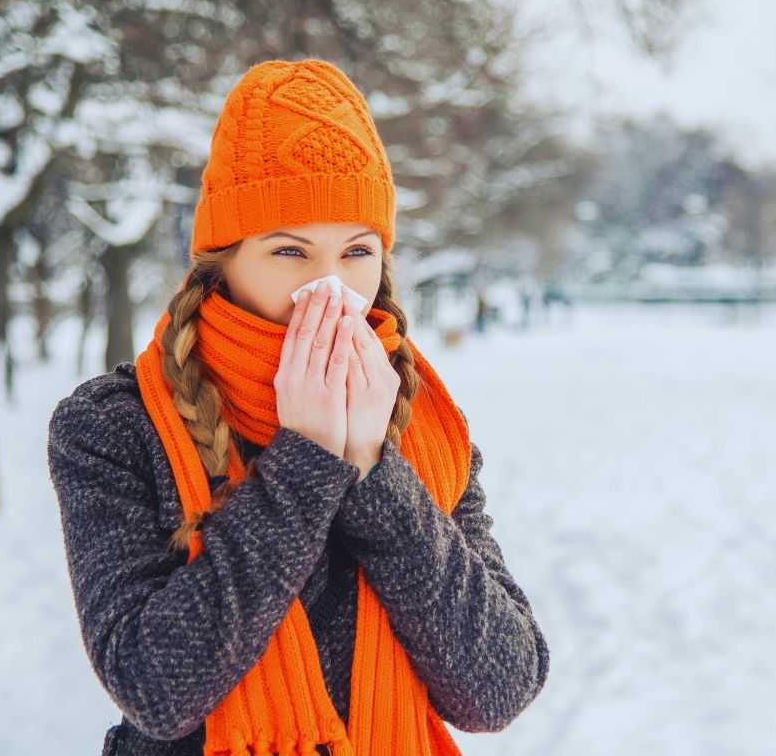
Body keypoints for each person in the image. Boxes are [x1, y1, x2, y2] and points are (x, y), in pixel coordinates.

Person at [46, 59, 550, 756]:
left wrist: (374, 468)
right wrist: (308, 460)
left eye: (356, 252)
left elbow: (499, 687)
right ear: (222, 261)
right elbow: (155, 686)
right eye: (290, 249)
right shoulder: (115, 425)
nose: (332, 289)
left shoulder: (424, 427)